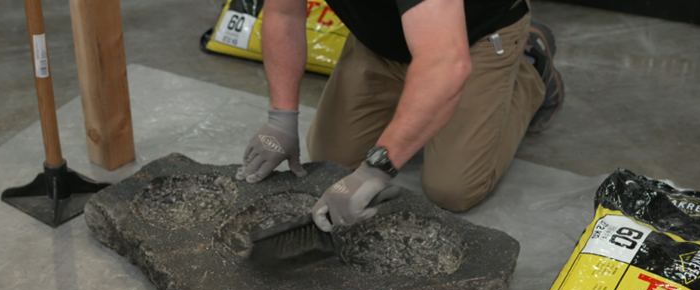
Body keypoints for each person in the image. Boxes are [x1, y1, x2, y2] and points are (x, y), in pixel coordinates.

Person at [235, 0, 564, 232]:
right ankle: (413, 93)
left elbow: (445, 63)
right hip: (382, 40)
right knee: (331, 160)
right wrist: (281, 117)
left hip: (473, 36)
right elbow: (283, 13)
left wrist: (376, 169)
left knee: (451, 189)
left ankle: (528, 73)